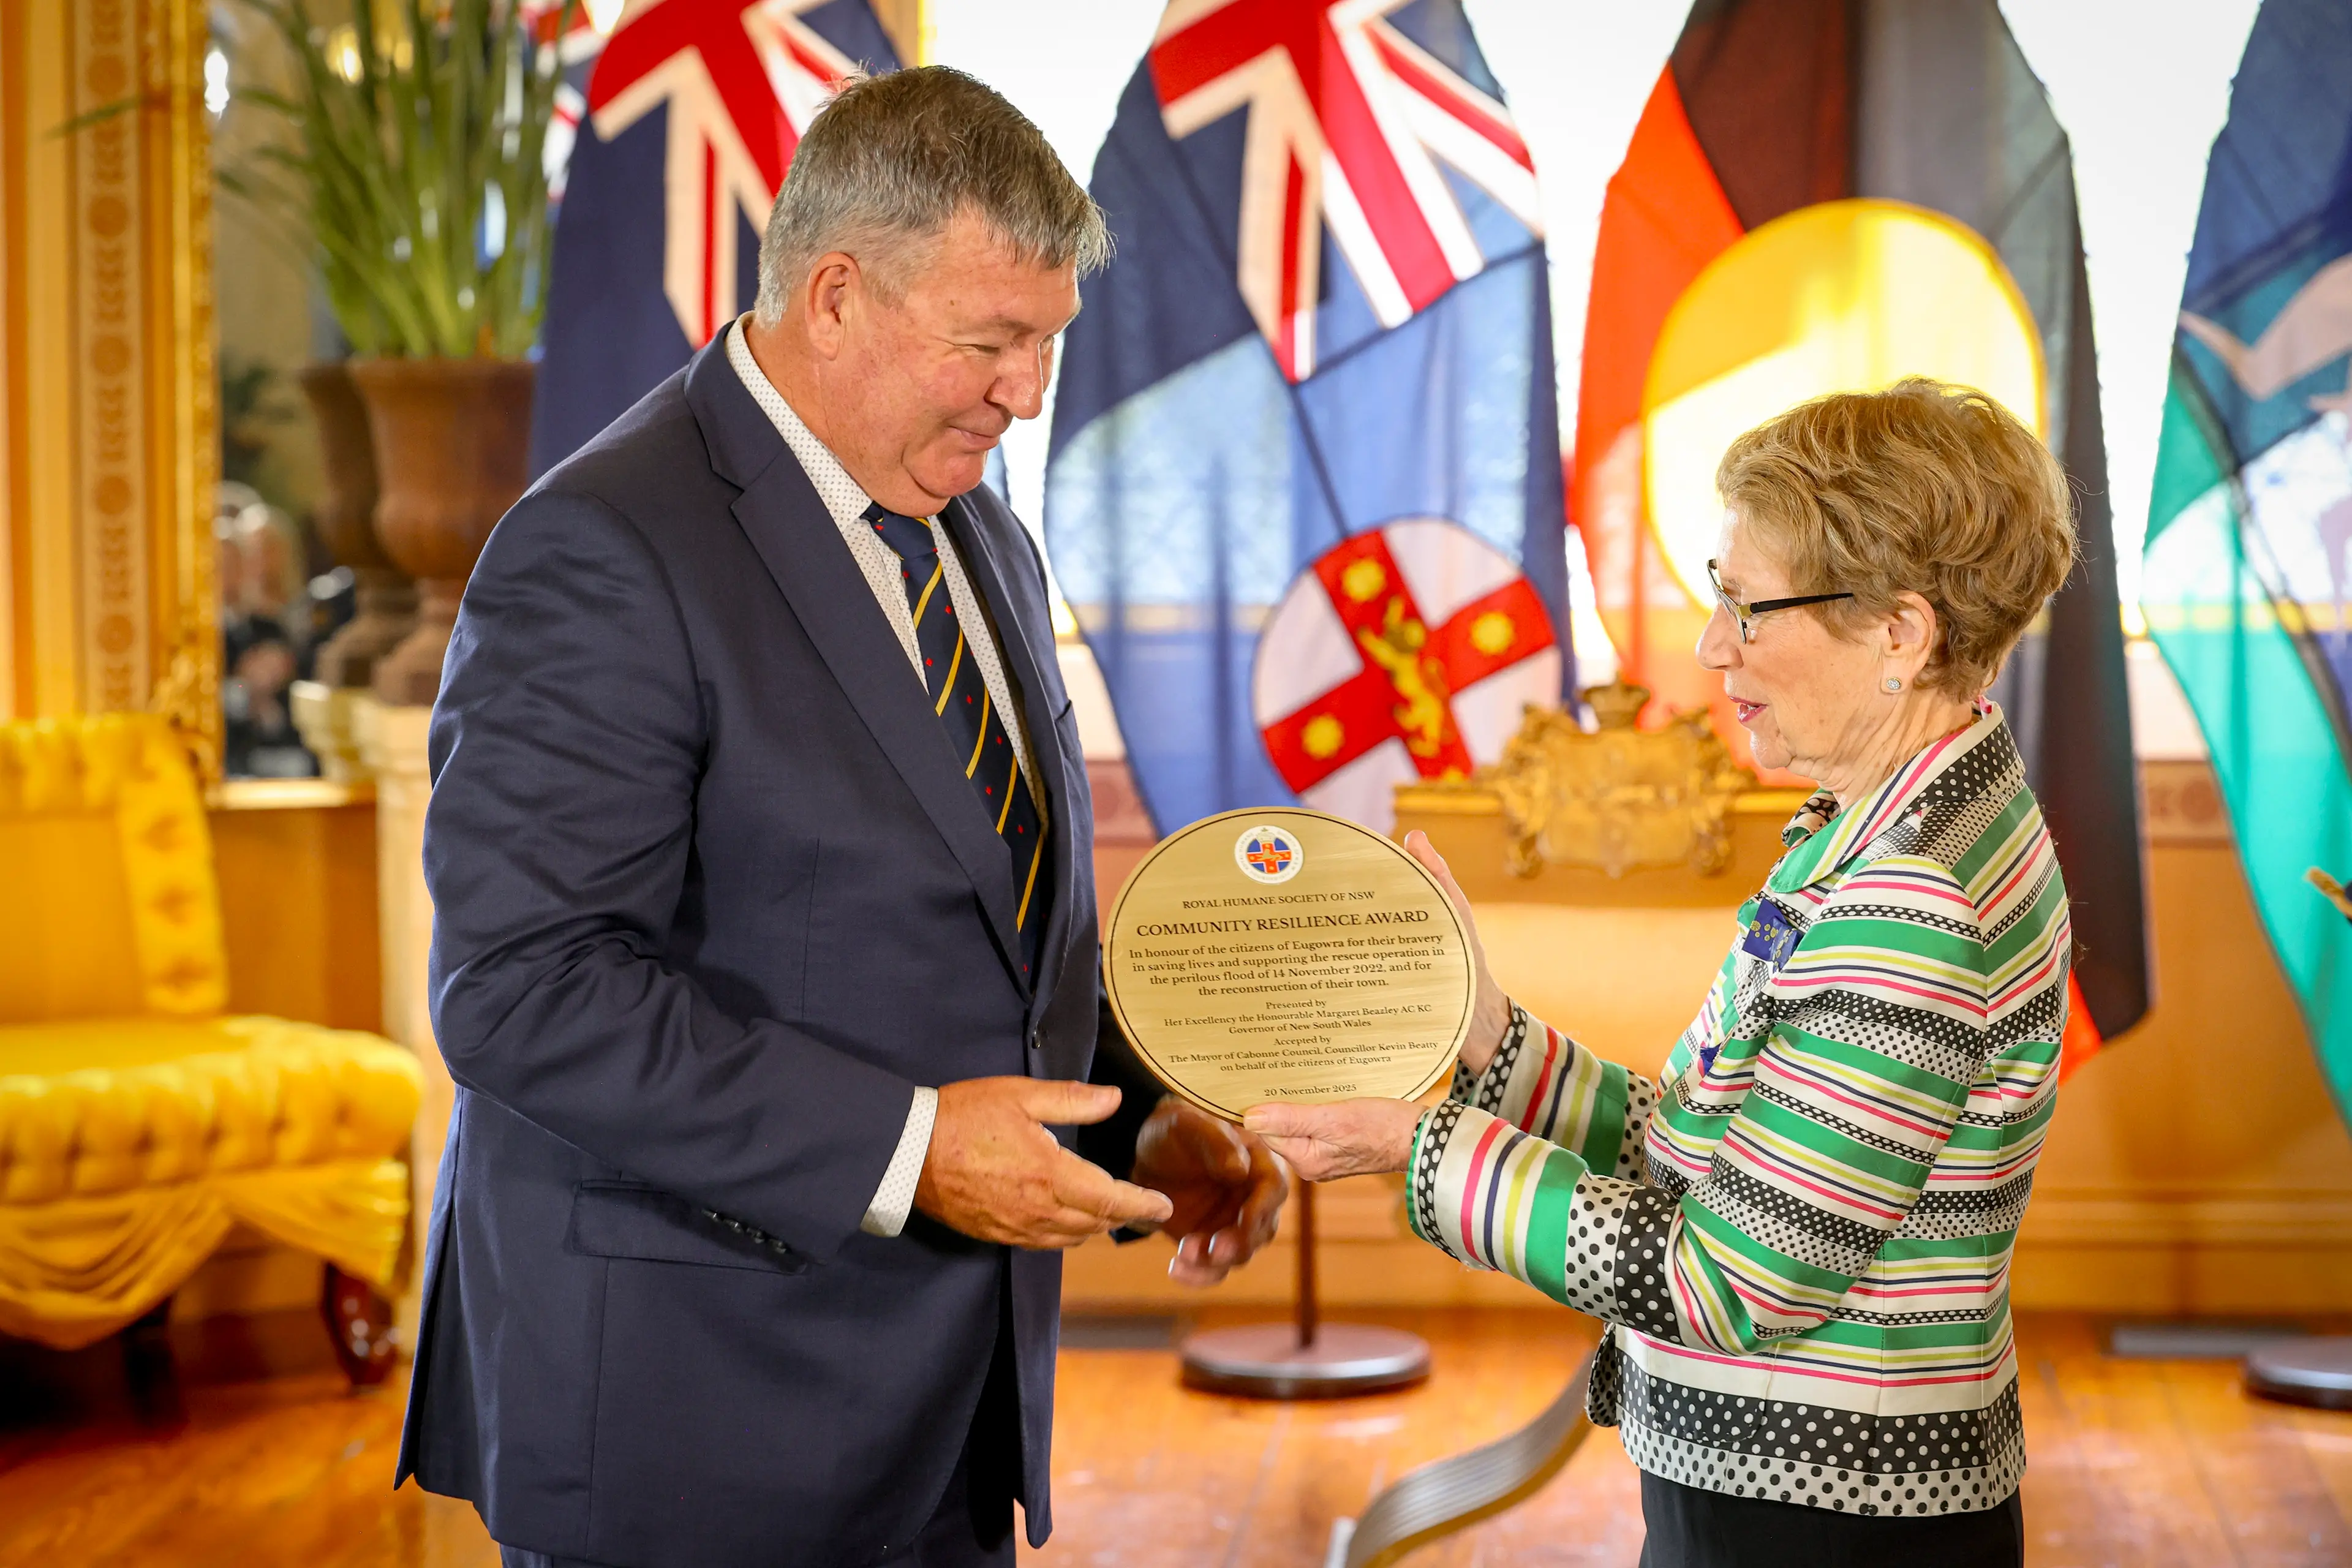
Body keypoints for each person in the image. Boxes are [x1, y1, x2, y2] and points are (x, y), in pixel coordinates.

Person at [396, 67, 1287, 1568]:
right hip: (696, 1409)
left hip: (944, 1405)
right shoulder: (600, 547)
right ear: (832, 296)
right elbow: (520, 993)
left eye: (1047, 342)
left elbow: (980, 922)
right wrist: (914, 1147)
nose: (1029, 392)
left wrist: (1142, 1116)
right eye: (991, 342)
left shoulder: (974, 525)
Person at [1250, 379, 2078, 1568]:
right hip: (1801, 1489)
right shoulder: (1892, 814)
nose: (1710, 645)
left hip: (1824, 1518)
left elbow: (1725, 1279)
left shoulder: (1916, 891)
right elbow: (1713, 1157)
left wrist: (1420, 1146)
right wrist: (1490, 1038)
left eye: (1749, 605)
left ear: (1901, 632)